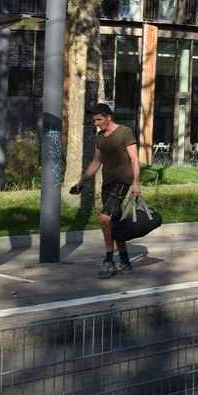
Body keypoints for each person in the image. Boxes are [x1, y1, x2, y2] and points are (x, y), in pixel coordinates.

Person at [70, 103, 142, 277]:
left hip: (122, 181)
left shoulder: (124, 132)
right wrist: (81, 182)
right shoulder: (100, 137)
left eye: (99, 119)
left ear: (108, 117)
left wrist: (136, 182)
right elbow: (96, 162)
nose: (96, 123)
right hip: (108, 183)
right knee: (114, 223)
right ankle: (124, 261)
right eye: (95, 120)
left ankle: (109, 262)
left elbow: (134, 159)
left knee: (104, 219)